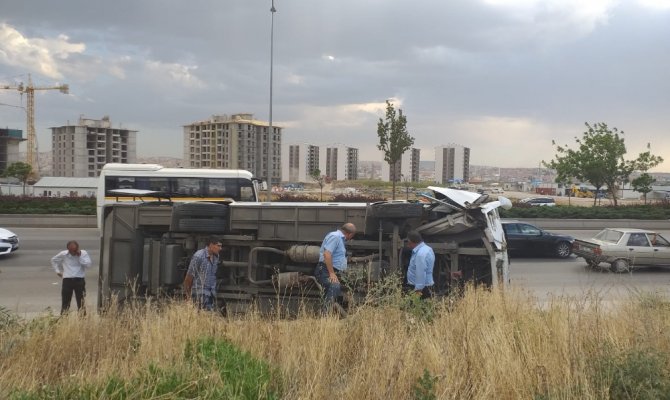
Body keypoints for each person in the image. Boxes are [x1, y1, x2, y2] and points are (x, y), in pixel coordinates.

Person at [314, 223, 357, 315]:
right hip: (325, 270)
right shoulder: (335, 237)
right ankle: (325, 314)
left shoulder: (339, 239)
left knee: (328, 291)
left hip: (328, 270)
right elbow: (327, 254)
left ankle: (324, 314)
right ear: (349, 234)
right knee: (335, 286)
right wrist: (332, 273)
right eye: (352, 236)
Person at [51, 240, 92, 315]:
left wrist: (80, 257)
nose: (73, 253)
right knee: (65, 302)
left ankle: (82, 319)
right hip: (67, 280)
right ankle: (64, 319)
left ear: (78, 248)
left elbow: (88, 265)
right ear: (68, 249)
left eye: (74, 250)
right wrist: (57, 271)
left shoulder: (83, 253)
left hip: (79, 280)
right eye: (71, 251)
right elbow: (54, 260)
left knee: (81, 302)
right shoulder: (63, 254)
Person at [183, 236, 222, 311]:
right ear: (211, 245)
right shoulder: (199, 256)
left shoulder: (216, 257)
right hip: (199, 293)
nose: (220, 248)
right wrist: (188, 296)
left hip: (211, 293)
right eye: (218, 246)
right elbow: (189, 277)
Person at [406, 230, 435, 299]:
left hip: (420, 288)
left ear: (411, 241)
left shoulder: (420, 254)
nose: (408, 245)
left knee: (417, 308)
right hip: (426, 286)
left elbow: (421, 272)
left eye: (408, 242)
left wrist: (418, 290)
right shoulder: (428, 249)